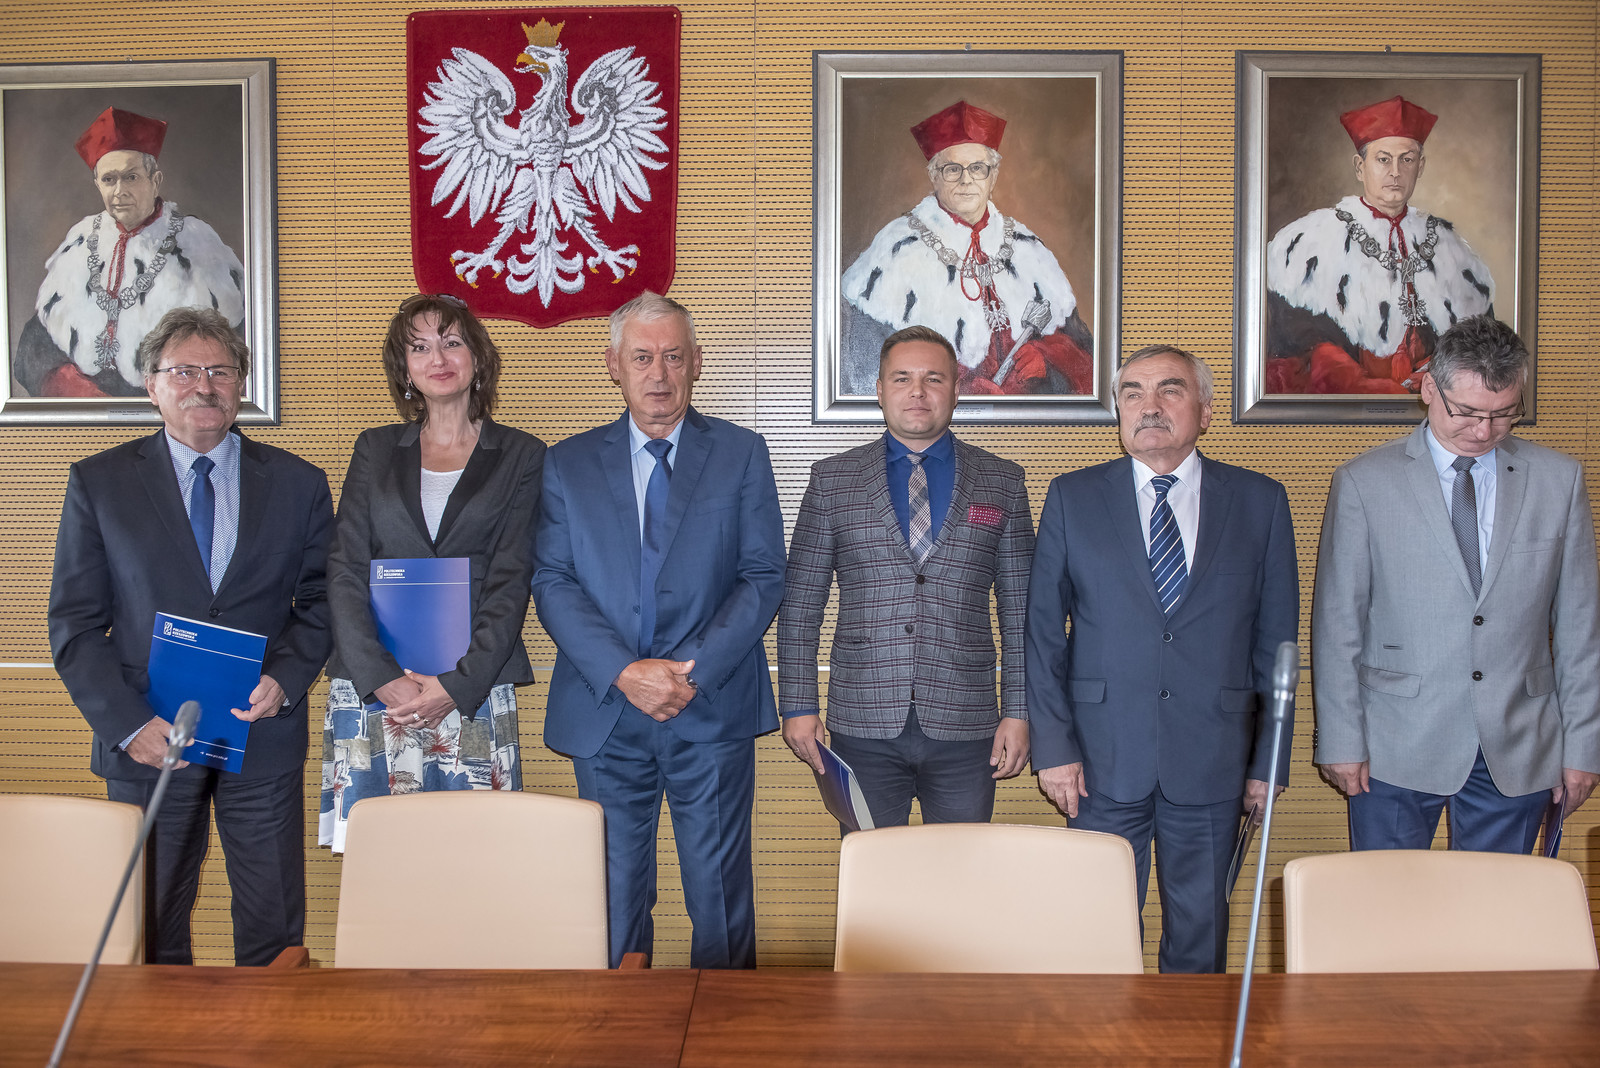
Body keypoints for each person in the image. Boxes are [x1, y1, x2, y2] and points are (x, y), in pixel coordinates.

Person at [48, 305, 332, 965]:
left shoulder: (298, 483)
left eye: (220, 371)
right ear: (151, 385)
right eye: (184, 372)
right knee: (150, 928)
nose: (204, 386)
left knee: (274, 928)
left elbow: (321, 602)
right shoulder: (100, 483)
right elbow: (75, 624)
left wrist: (286, 679)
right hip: (149, 738)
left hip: (259, 732)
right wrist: (127, 726)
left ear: (241, 385)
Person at [532, 291, 785, 968]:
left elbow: (763, 575)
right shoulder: (567, 463)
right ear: (613, 364)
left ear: (696, 362)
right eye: (642, 357)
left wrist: (689, 672)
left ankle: (726, 1027)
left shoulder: (741, 453)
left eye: (674, 357)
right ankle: (620, 1026)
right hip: (606, 710)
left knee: (721, 903)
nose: (659, 374)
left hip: (710, 706)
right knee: (612, 902)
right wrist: (625, 671)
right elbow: (552, 580)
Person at [1026, 344, 1298, 973]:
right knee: (1098, 933)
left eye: (1170, 390)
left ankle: (1192, 1035)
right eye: (1133, 393)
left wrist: (1268, 760)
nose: (1149, 406)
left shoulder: (1259, 501)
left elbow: (1276, 642)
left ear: (1205, 410)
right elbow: (1042, 634)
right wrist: (1054, 748)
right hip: (1097, 761)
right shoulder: (1072, 497)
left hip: (1214, 760)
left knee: (1201, 935)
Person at [1313, 315, 1600, 852]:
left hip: (1518, 745)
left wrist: (1584, 747)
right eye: (1466, 412)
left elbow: (1582, 630)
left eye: (1503, 413)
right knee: (1387, 899)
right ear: (1428, 389)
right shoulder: (1363, 482)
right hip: (1393, 744)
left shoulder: (1558, 481)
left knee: (1496, 905)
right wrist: (1340, 738)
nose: (1483, 431)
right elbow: (1337, 624)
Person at [778, 324, 1033, 827]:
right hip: (862, 721)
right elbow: (801, 606)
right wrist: (798, 705)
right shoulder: (832, 481)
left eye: (933, 378)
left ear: (956, 389)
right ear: (879, 390)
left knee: (962, 867)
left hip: (967, 725)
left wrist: (1019, 711)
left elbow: (1021, 612)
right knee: (873, 867)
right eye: (902, 378)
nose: (918, 391)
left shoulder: (1002, 480)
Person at [319, 294, 545, 851]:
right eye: (418, 348)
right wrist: (381, 677)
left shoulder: (522, 454)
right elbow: (346, 567)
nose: (437, 358)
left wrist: (456, 684)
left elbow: (511, 579)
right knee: (382, 859)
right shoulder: (374, 449)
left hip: (472, 689)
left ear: (477, 357)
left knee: (473, 857)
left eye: (451, 342)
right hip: (375, 690)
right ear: (405, 368)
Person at [839, 100, 1093, 397]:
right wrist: (957, 388)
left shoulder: (1028, 248)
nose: (966, 179)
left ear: (993, 176)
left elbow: (1083, 357)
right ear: (934, 176)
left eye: (977, 168)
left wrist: (1045, 360)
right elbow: (866, 369)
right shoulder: (897, 248)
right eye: (952, 169)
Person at [1265, 95, 1496, 395]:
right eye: (1383, 159)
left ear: (1421, 166)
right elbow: (1299, 345)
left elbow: (1477, 345)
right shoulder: (1309, 241)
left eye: (1407, 159)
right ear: (1360, 167)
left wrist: (1437, 374)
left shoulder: (1451, 247)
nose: (1395, 172)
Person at [16, 106, 247, 399]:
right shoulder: (79, 241)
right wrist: (73, 390)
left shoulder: (197, 245)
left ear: (155, 180)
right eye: (109, 179)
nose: (119, 191)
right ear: (97, 184)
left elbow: (234, 353)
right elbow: (33, 352)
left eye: (131, 177)